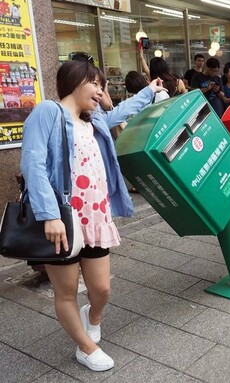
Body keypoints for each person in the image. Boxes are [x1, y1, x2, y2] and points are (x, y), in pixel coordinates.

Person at [20, 61, 165, 372]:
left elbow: (118, 114)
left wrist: (148, 93)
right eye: (95, 84)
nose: (101, 91)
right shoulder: (48, 112)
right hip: (61, 221)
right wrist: (49, 216)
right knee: (67, 291)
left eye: (102, 85)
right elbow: (32, 163)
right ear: (74, 81)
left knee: (101, 289)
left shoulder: (92, 120)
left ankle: (93, 316)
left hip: (95, 218)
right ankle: (85, 347)